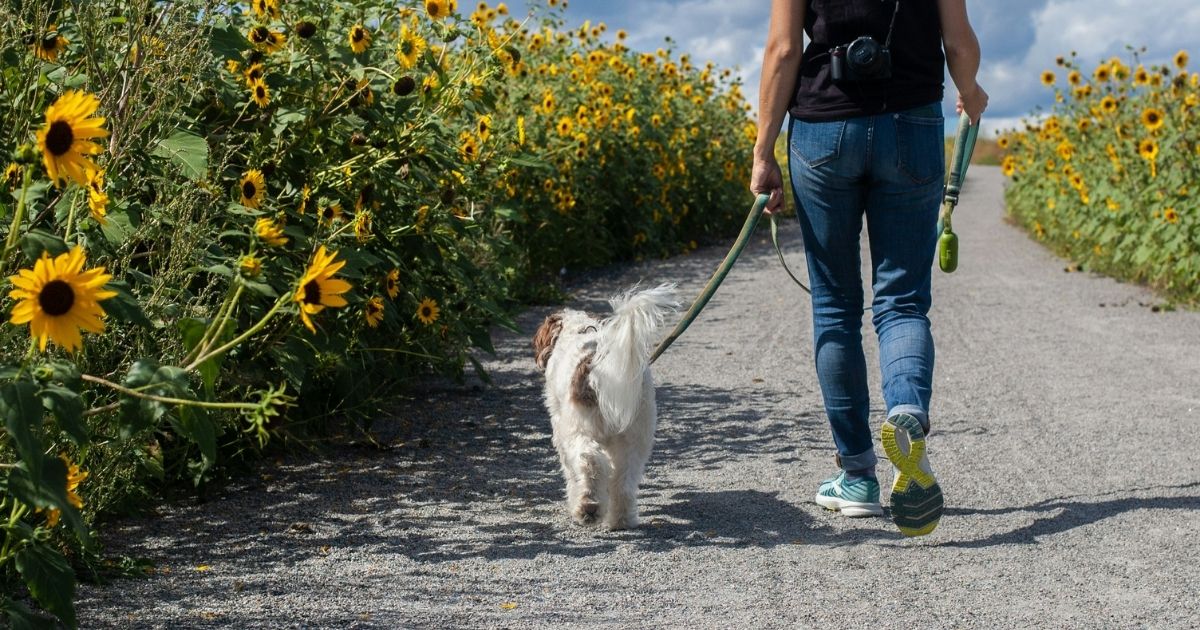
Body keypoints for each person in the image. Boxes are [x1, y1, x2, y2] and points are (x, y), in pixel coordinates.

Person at [750, 0, 988, 537]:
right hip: (913, 120)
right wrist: (970, 91)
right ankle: (905, 408)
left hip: (822, 126)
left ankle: (857, 475)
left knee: (834, 305)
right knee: (902, 301)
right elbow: (958, 42)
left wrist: (763, 150)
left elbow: (784, 49)